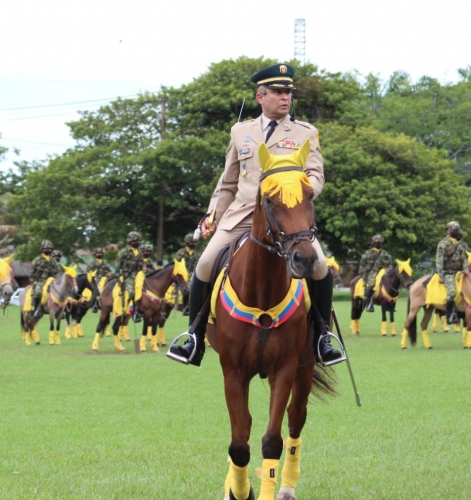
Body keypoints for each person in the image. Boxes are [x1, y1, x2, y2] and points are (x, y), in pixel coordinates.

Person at [168, 63, 342, 366]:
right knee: (206, 263)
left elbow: (316, 174)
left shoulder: (305, 132)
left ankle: (322, 338)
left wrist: (299, 191)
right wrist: (213, 214)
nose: (285, 97)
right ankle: (194, 337)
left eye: (288, 91)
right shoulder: (240, 132)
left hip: (288, 217)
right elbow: (228, 181)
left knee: (320, 267)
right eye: (277, 91)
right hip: (242, 215)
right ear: (260, 96)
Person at [436, 221, 469, 324]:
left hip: (459, 273)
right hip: (448, 273)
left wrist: (467, 270)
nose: (457, 232)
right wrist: (441, 275)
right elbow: (439, 260)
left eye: (457, 230)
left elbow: (463, 258)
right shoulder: (443, 244)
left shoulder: (459, 245)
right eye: (455, 230)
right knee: (452, 293)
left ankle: (462, 312)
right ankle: (449, 315)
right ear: (448, 231)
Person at [29, 240, 63, 318]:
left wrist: (57, 278)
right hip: (41, 280)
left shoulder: (53, 260)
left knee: (61, 290)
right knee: (38, 292)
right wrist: (32, 283)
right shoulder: (37, 260)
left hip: (52, 280)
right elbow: (31, 272)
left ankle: (60, 310)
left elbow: (58, 271)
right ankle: (36, 309)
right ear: (42, 249)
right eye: (45, 248)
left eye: (49, 248)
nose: (47, 250)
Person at [359, 235, 393, 313]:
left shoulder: (385, 254)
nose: (379, 244)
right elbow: (362, 264)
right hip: (372, 272)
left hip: (383, 272)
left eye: (380, 243)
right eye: (377, 243)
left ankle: (390, 303)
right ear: (373, 243)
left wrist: (388, 269)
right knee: (371, 284)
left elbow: (390, 264)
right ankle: (368, 304)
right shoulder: (368, 253)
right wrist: (362, 274)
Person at [116, 231, 144, 321]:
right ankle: (134, 312)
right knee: (132, 293)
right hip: (128, 276)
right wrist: (119, 279)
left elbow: (141, 264)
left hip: (139, 275)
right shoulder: (123, 252)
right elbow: (117, 266)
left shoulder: (139, 252)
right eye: (134, 241)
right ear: (129, 241)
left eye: (138, 241)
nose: (136, 242)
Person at [174, 234, 199, 315]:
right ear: (187, 242)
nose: (193, 244)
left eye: (194, 242)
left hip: (192, 274)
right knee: (186, 291)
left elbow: (198, 265)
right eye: (191, 242)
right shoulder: (181, 252)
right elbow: (176, 264)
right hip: (181, 275)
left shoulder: (196, 254)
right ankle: (185, 307)